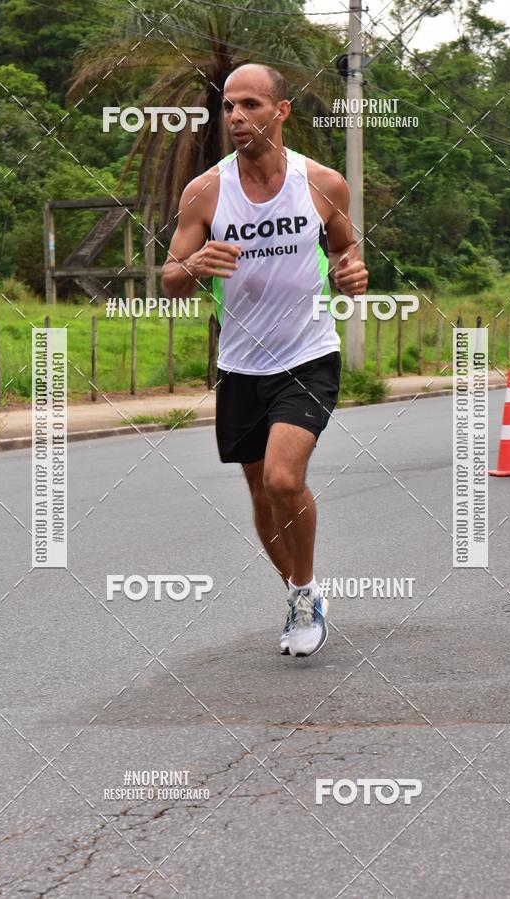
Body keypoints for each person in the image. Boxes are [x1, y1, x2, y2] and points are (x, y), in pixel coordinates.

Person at [161, 63, 368, 657]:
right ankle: (301, 593)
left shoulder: (322, 183)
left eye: (250, 104)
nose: (236, 116)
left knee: (283, 478)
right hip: (240, 365)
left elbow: (346, 247)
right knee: (259, 494)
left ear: (281, 111)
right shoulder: (205, 191)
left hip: (308, 356)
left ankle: (303, 592)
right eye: (229, 106)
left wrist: (351, 272)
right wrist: (193, 266)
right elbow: (171, 277)